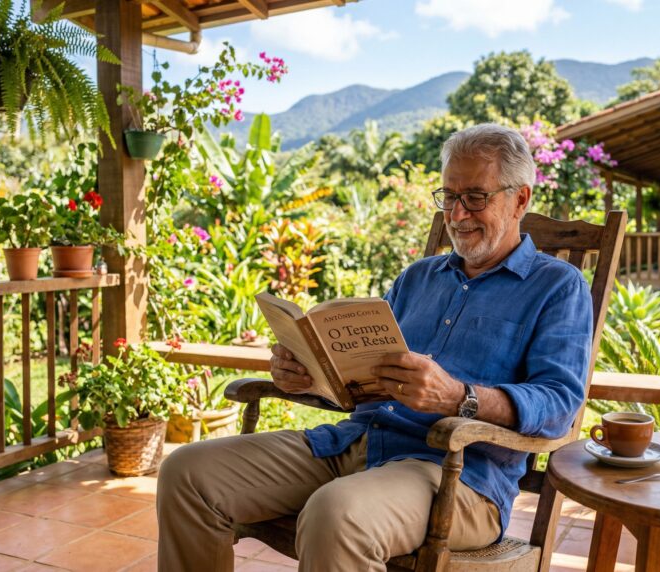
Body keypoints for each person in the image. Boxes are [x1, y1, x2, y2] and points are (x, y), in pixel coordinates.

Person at [157, 123, 594, 572]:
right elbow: (362, 377)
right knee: (188, 474)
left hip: (456, 475)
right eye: (448, 196)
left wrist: (459, 398)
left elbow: (560, 403)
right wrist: (309, 374)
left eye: (475, 197)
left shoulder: (558, 286)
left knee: (336, 514)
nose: (458, 215)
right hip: (352, 442)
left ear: (520, 198)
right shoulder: (417, 278)